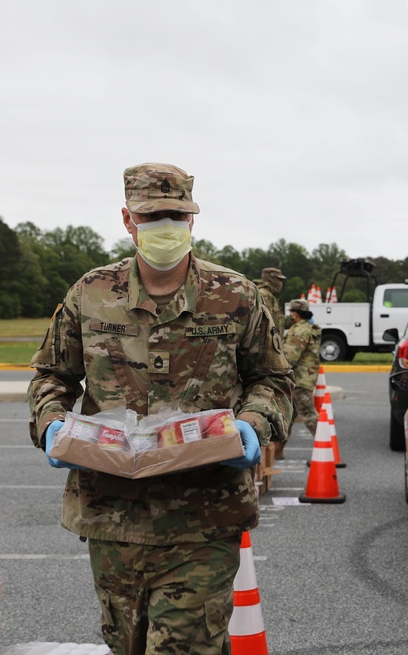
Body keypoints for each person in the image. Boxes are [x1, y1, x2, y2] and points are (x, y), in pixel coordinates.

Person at [27, 162, 294, 655]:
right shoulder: (92, 294)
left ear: (192, 220)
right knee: (124, 644)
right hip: (113, 514)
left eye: (176, 215)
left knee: (185, 647)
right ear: (128, 221)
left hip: (204, 514)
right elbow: (52, 375)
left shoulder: (235, 296)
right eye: (152, 217)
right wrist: (51, 424)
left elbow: (274, 379)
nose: (164, 228)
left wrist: (253, 425)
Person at [280, 298, 321, 457]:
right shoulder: (307, 328)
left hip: (299, 380)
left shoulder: (299, 331)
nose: (289, 316)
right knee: (288, 415)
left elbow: (290, 357)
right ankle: (277, 451)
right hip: (303, 378)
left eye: (290, 312)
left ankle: (325, 447)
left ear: (295, 314)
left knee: (308, 414)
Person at [255, 267, 287, 332]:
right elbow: (264, 322)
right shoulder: (264, 294)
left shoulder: (271, 295)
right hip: (266, 340)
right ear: (271, 279)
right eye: (279, 279)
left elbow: (277, 320)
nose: (280, 283)